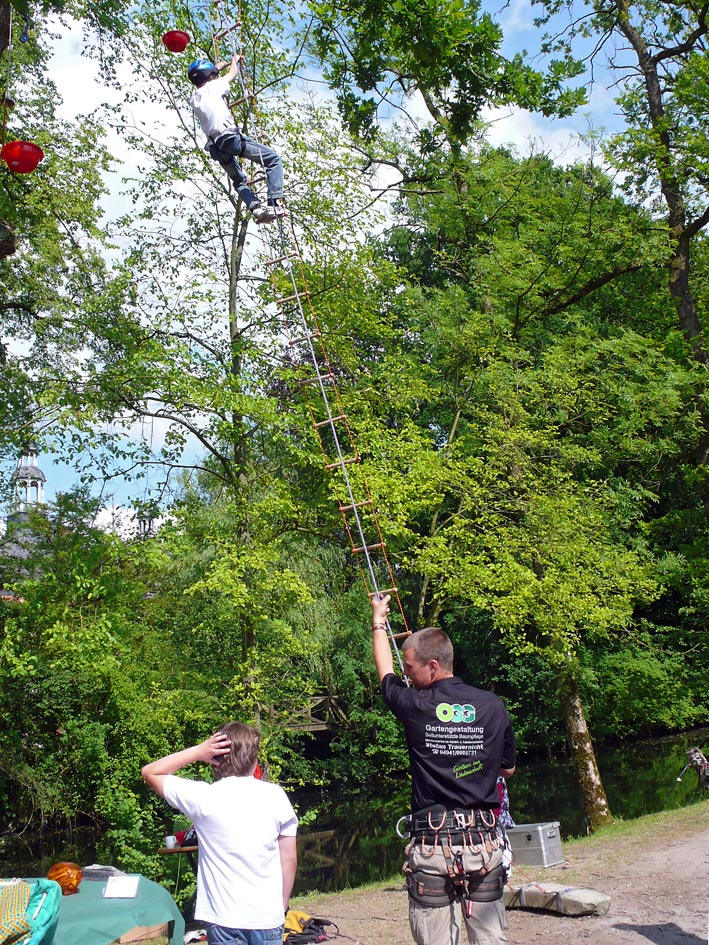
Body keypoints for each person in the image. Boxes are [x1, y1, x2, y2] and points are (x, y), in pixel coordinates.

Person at [371, 595, 516, 945]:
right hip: (483, 844)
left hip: (433, 848)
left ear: (433, 666)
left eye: (411, 667)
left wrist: (378, 622)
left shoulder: (417, 705)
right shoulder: (492, 705)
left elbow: (384, 674)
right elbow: (508, 770)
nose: (406, 674)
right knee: (490, 939)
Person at [141, 722, 298, 945]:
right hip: (267, 918)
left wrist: (197, 751)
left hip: (222, 919)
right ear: (254, 759)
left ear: (215, 759)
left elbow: (150, 772)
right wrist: (281, 906)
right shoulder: (276, 796)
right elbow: (289, 858)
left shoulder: (201, 797)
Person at [188, 57, 285, 224]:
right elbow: (233, 73)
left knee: (239, 181)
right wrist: (234, 60)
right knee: (273, 159)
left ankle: (256, 209)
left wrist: (218, 67)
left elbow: (209, 77)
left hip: (216, 148)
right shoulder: (214, 86)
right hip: (229, 139)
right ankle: (273, 204)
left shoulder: (194, 98)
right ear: (211, 76)